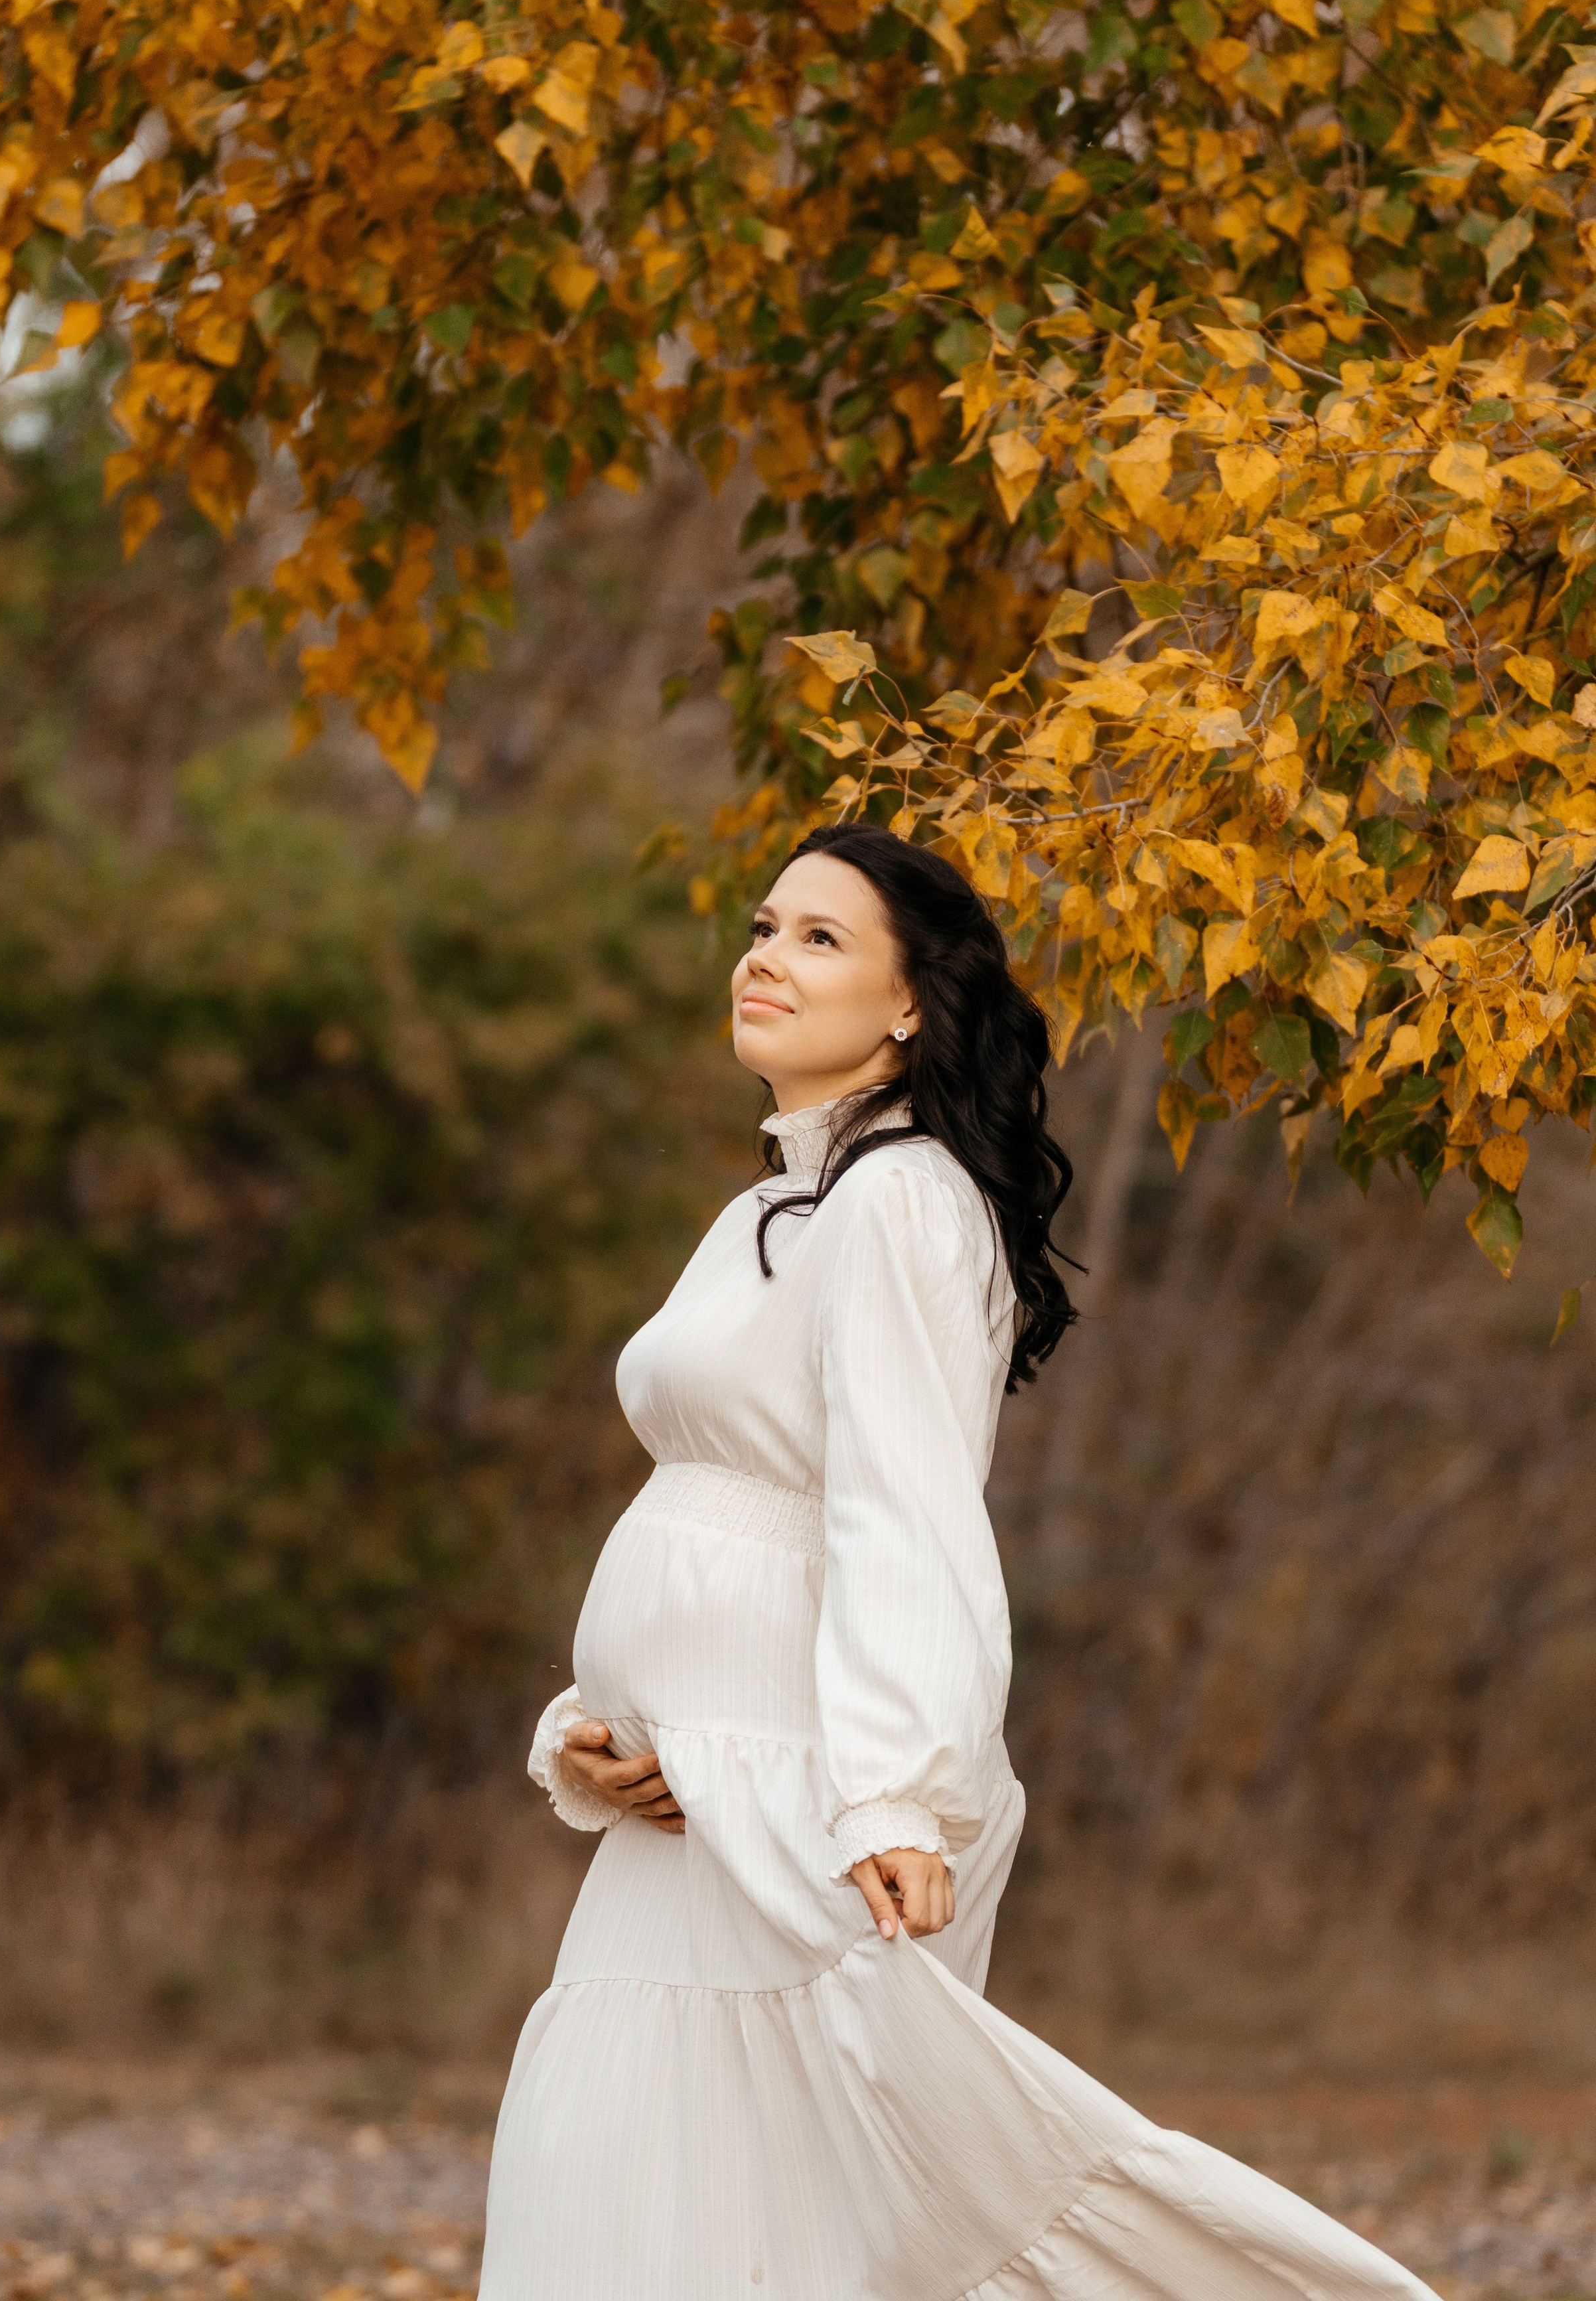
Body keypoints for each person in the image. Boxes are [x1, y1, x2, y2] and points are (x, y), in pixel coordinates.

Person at [478, 824, 1436, 2301]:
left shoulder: (903, 1199)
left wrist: (897, 1796)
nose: (761, 957)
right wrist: (592, 1736)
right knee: (611, 2186)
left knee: (804, 2222)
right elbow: (702, 1519)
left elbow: (903, 1514)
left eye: (816, 939)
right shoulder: (764, 1213)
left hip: (807, 1812)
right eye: (759, 926)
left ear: (911, 1003)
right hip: (685, 1817)